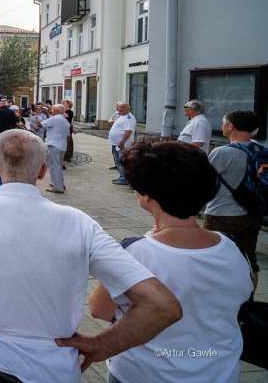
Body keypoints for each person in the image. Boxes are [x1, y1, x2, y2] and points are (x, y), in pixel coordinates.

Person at [0, 129, 182, 382]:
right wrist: (104, 345)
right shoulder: (79, 223)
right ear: (42, 170)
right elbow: (162, 305)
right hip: (57, 367)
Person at [89, 140, 252, 383]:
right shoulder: (234, 246)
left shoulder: (136, 252)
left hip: (145, 372)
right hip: (219, 371)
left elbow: (99, 310)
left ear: (147, 196)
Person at [205, 110, 263, 287]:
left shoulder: (223, 152)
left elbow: (206, 182)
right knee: (249, 259)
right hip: (254, 212)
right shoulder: (261, 150)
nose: (222, 125)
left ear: (230, 126)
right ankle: (247, 301)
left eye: (224, 122)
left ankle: (220, 297)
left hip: (222, 213)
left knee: (215, 259)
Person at [42, 104, 71, 194]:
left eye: (53, 109)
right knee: (58, 165)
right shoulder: (65, 121)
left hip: (54, 144)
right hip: (62, 145)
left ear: (57, 111)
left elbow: (41, 124)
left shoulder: (54, 119)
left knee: (54, 166)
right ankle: (60, 183)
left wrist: (35, 117)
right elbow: (68, 135)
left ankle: (58, 186)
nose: (51, 111)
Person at [108, 103, 136, 185]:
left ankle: (125, 179)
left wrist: (122, 142)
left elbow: (128, 131)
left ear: (128, 108)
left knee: (123, 161)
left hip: (122, 144)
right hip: (115, 143)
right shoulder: (121, 116)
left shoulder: (129, 118)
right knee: (118, 161)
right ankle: (122, 176)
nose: (120, 109)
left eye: (123, 107)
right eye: (119, 107)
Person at [62, 99, 75, 163]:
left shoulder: (69, 112)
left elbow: (62, 117)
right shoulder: (65, 111)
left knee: (67, 143)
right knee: (68, 143)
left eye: (64, 103)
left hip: (67, 129)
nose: (63, 104)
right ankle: (66, 157)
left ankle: (66, 157)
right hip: (65, 128)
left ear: (68, 104)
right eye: (62, 103)